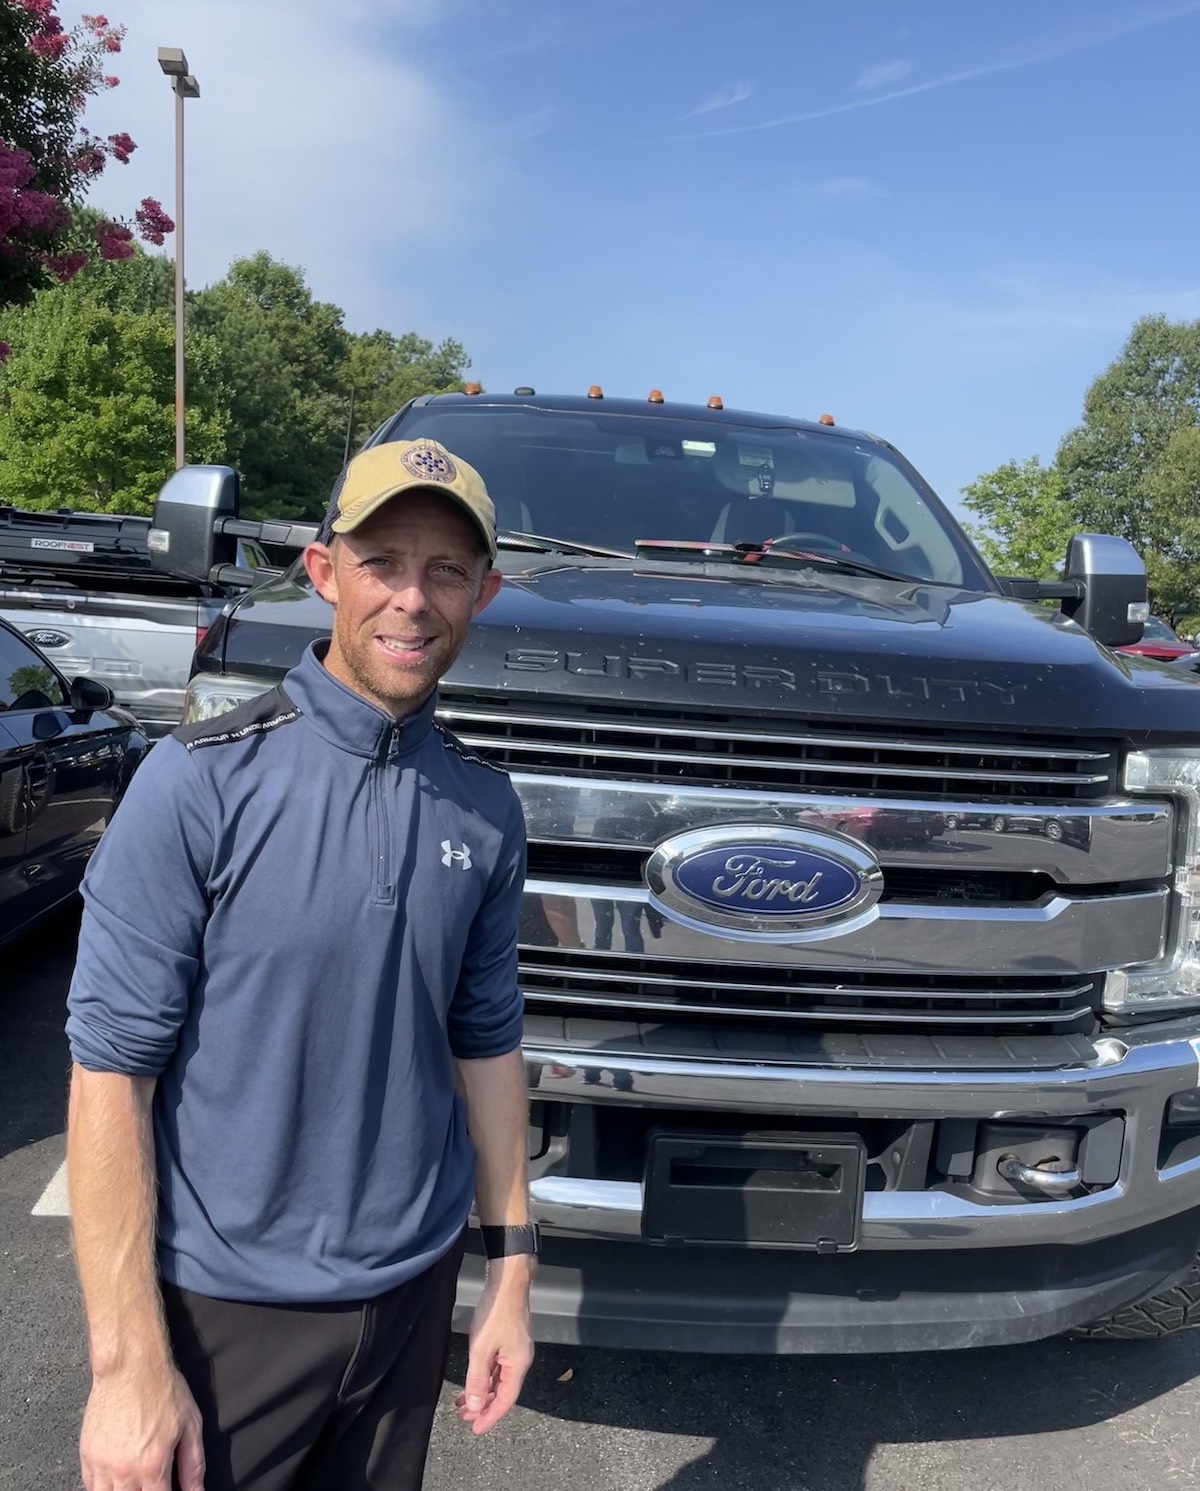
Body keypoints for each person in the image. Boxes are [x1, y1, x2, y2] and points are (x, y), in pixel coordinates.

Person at [65, 439, 537, 1491]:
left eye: (447, 571)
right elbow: (109, 1077)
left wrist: (511, 1272)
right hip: (228, 1311)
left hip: (412, 1295)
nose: (413, 601)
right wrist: (128, 1363)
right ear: (325, 573)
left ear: (484, 592)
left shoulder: (486, 809)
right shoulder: (197, 786)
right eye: (383, 562)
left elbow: (488, 1041)